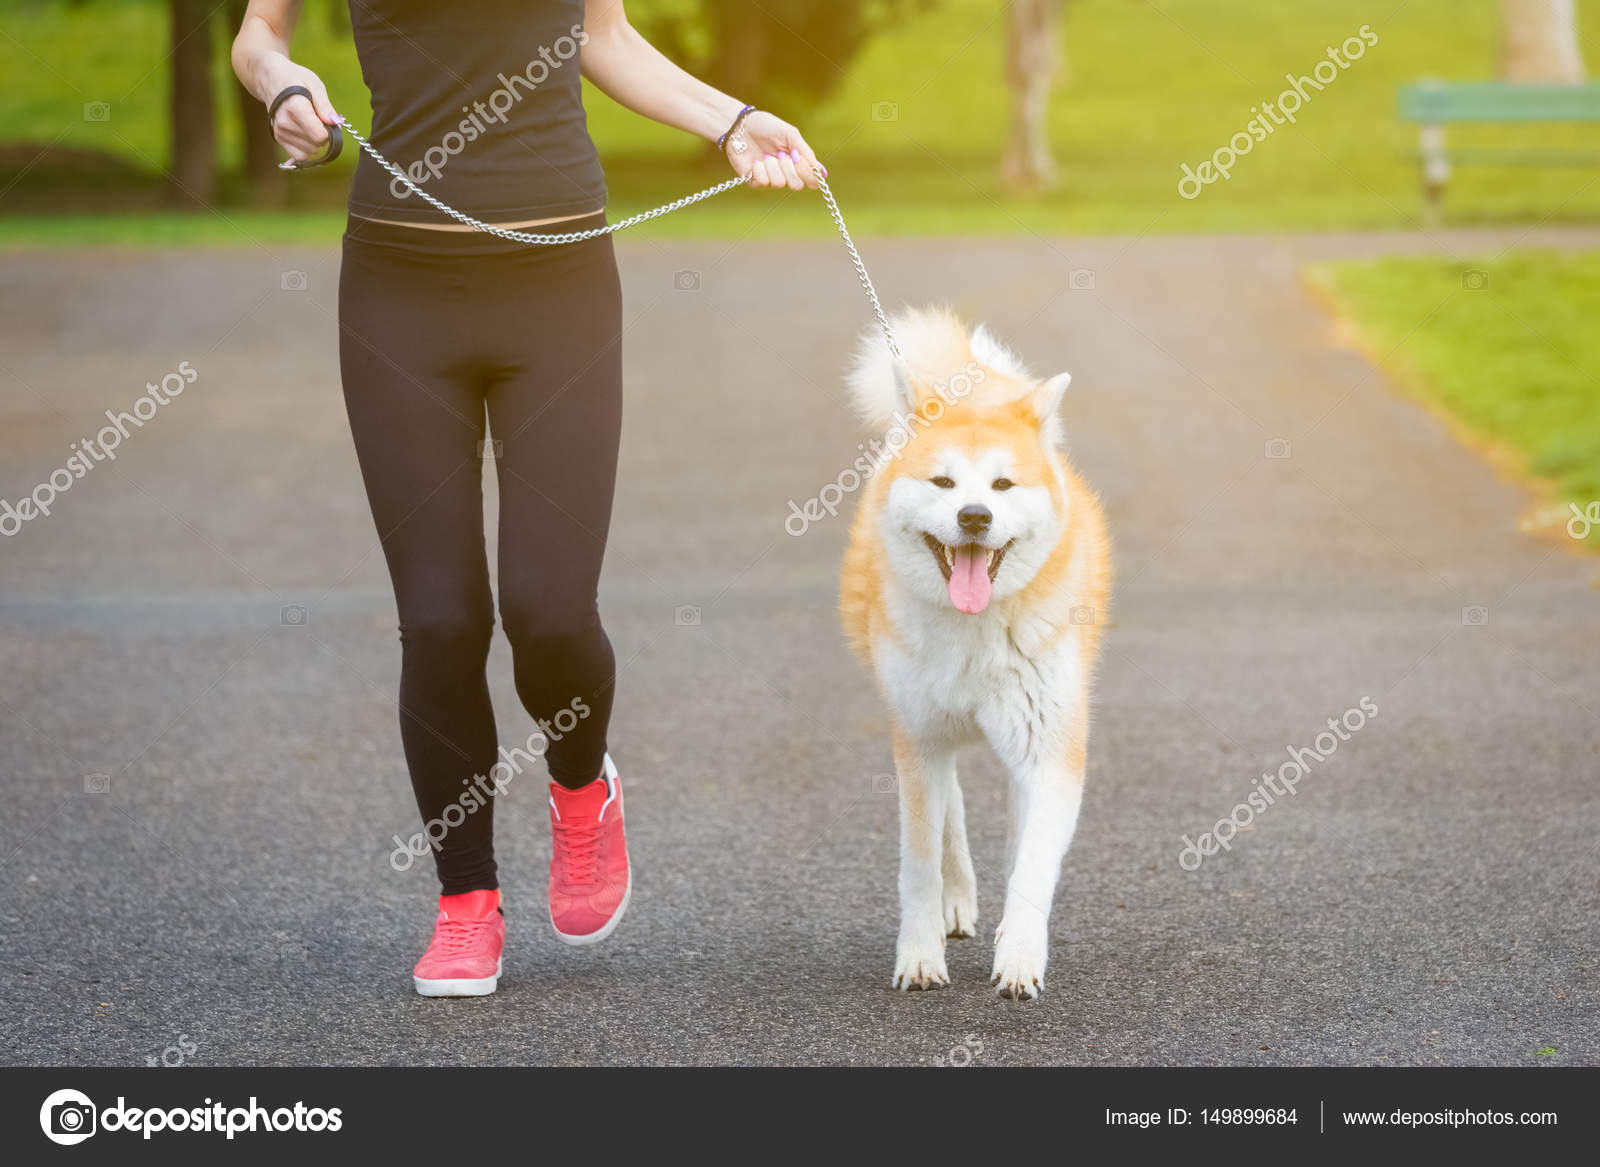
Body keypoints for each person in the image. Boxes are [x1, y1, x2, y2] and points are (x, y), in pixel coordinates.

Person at [232, 0, 823, 997]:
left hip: (557, 285)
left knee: (549, 611)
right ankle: (465, 901)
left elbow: (602, 35)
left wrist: (729, 120)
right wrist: (283, 86)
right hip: (397, 289)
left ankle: (581, 782)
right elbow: (259, 35)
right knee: (440, 617)